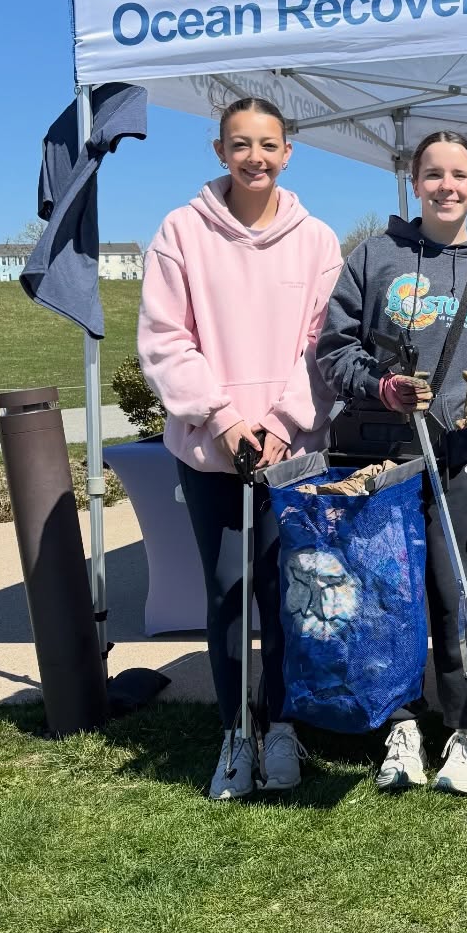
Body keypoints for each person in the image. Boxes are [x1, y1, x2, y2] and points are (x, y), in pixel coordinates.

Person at [138, 96, 342, 801]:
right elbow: (167, 339)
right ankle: (235, 733)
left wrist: (284, 421)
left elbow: (322, 347)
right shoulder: (181, 231)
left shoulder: (315, 239)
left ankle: (281, 728)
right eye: (240, 144)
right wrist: (223, 418)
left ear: (288, 153)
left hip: (291, 452)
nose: (255, 156)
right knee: (227, 595)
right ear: (220, 151)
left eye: (268, 144)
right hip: (211, 451)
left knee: (287, 596)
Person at [317, 132, 467, 796]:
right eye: (432, 174)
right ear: (414, 182)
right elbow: (333, 347)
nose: (446, 186)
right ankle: (401, 727)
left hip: (459, 461)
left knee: (461, 598)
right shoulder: (374, 256)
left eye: (458, 175)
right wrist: (378, 387)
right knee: (387, 599)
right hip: (384, 466)